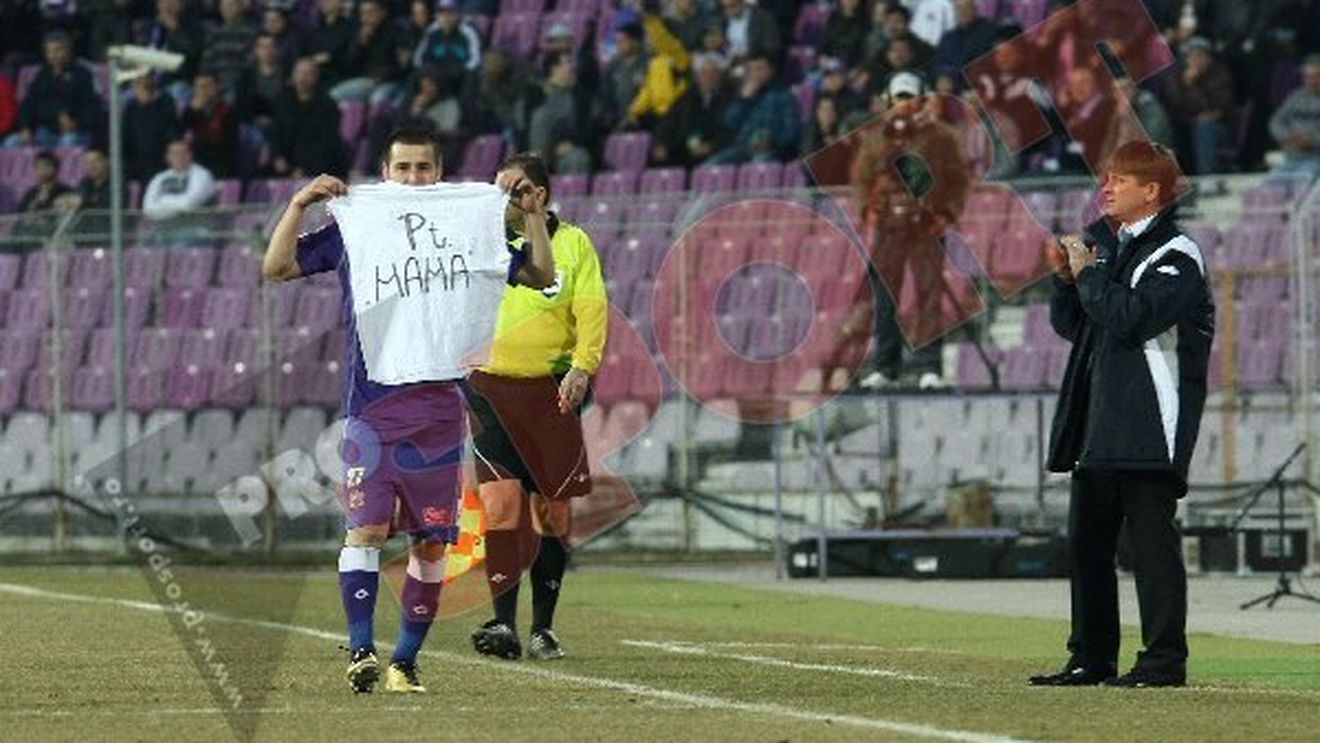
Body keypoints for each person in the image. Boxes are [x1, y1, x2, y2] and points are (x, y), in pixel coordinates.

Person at [261, 125, 554, 694]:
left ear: (439, 175)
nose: (415, 179)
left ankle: (405, 662)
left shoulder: (466, 231)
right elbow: (275, 269)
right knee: (366, 528)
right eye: (404, 169)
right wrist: (299, 204)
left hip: (441, 412)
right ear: (385, 174)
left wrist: (533, 216)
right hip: (371, 412)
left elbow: (540, 275)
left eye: (424, 169)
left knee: (430, 543)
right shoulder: (359, 230)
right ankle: (362, 651)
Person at [1031, 140, 1213, 689]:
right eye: (1106, 178)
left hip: (1150, 419)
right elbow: (1079, 326)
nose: (1105, 188)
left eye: (1119, 180)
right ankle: (1091, 657)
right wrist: (1067, 283)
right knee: (1087, 541)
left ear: (1151, 191)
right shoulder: (1112, 247)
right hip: (1101, 415)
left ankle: (1163, 660)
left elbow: (1133, 317)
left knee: (1150, 543)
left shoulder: (1178, 254)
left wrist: (1087, 277)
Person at [467, 152, 607, 662]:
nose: (503, 199)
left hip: (552, 388)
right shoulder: (485, 245)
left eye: (513, 190)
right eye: (499, 189)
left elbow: (591, 309)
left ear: (539, 195)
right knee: (501, 507)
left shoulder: (573, 244)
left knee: (553, 511)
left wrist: (583, 368)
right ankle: (503, 624)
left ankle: (544, 628)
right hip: (489, 388)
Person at [845, 71, 969, 390]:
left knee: (929, 295)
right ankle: (887, 367)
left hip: (926, 224)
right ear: (888, 101)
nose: (904, 103)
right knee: (885, 299)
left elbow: (958, 179)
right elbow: (860, 179)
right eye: (899, 97)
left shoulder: (941, 136)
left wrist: (947, 213)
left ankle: (930, 366)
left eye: (909, 96)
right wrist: (867, 209)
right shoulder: (875, 138)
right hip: (889, 227)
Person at [1268, 54, 1320, 182]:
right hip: (1292, 157)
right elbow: (1276, 121)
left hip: (1316, 159)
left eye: (1315, 76)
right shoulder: (1296, 96)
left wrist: (1311, 140)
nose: (1310, 81)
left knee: (1303, 180)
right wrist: (1287, 136)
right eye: (1306, 76)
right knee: (1273, 184)